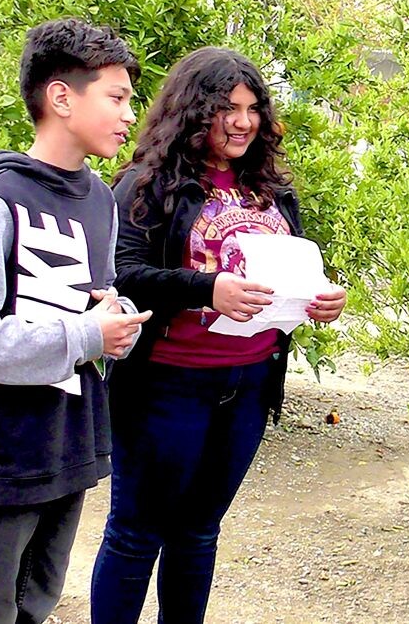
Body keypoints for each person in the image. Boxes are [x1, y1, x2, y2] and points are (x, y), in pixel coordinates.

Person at [91, 46, 347, 624]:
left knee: (199, 533)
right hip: (167, 385)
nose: (243, 121)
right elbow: (121, 273)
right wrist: (208, 289)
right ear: (191, 109)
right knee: (137, 533)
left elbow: (293, 272)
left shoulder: (272, 190)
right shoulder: (145, 183)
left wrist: (321, 299)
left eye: (253, 108)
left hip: (249, 385)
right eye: (226, 107)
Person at [0, 18, 153, 624]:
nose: (130, 114)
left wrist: (115, 324)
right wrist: (86, 334)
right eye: (116, 97)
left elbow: (92, 301)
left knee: (36, 603)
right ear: (61, 97)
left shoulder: (101, 199)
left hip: (67, 442)